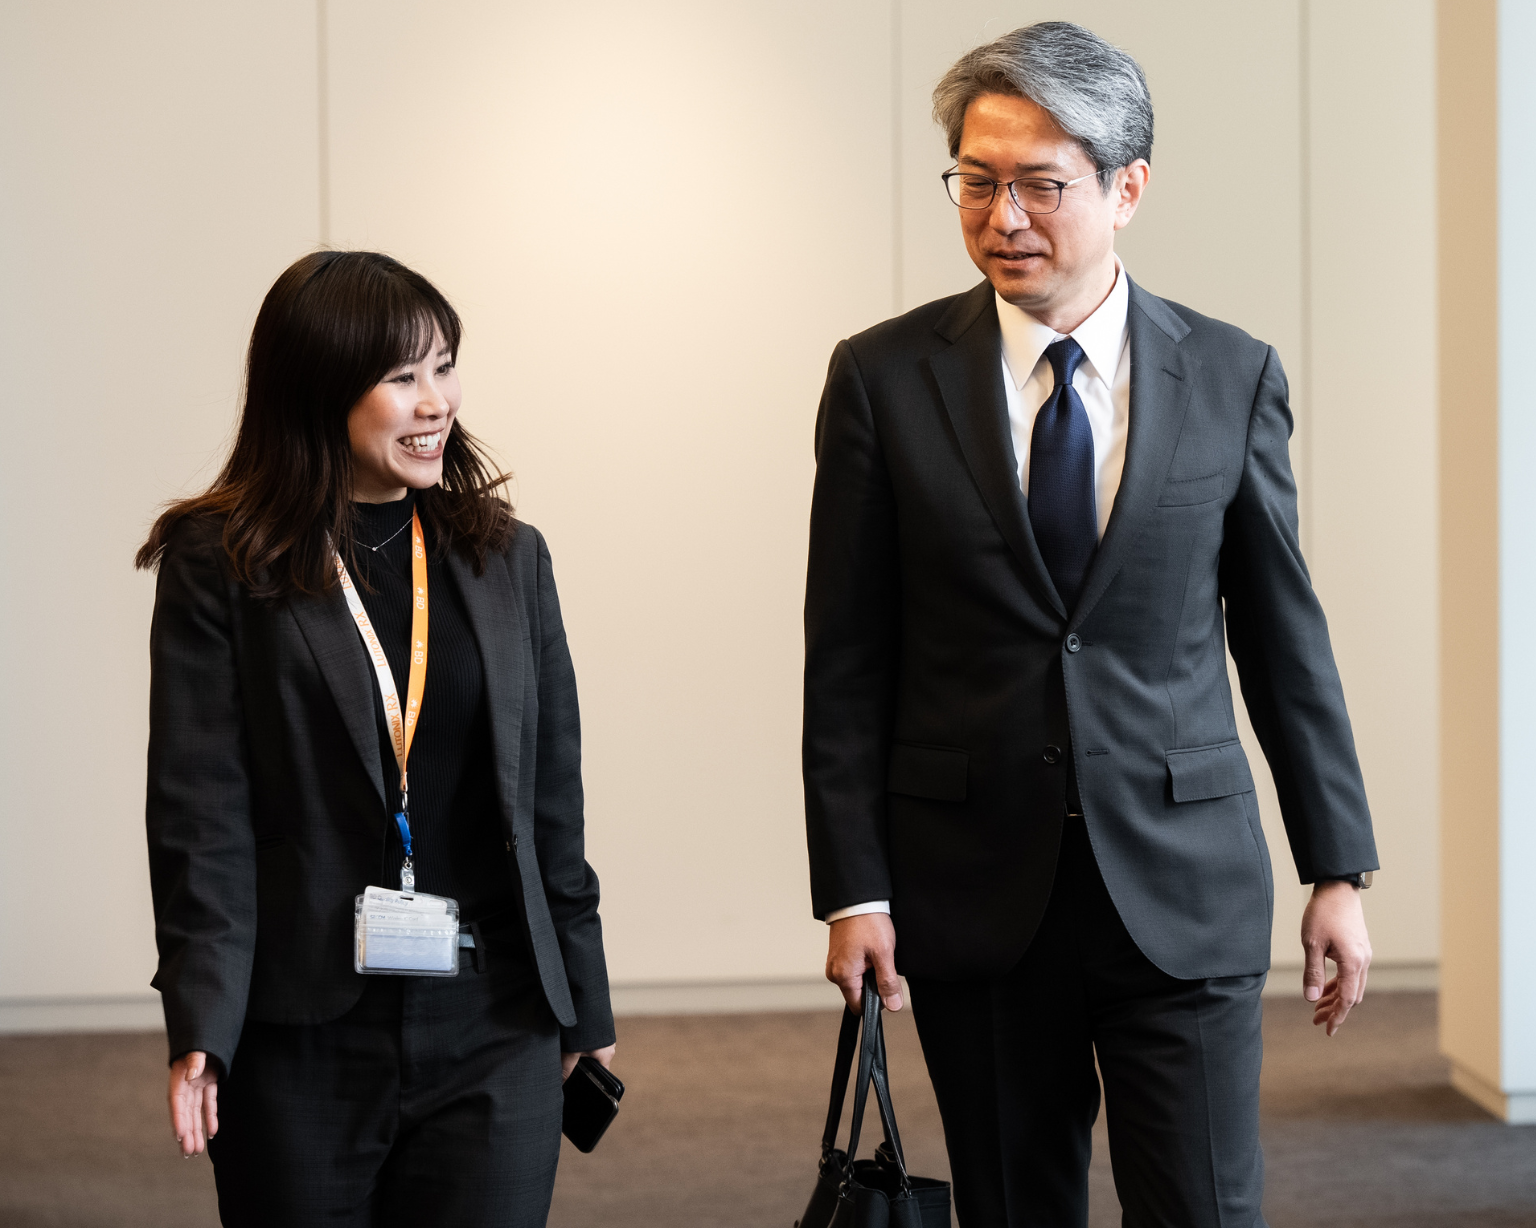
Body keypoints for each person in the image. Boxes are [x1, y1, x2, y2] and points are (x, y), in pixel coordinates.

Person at [803, 22, 1377, 1227]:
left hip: (1185, 889)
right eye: (976, 181)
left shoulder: (1231, 374)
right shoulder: (881, 379)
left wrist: (1338, 866)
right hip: (975, 891)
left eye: (1039, 185)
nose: (1002, 216)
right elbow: (848, 659)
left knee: (1205, 1208)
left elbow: (1282, 636)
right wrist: (854, 888)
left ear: (1127, 189)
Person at [138, 250, 614, 1227]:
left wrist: (586, 1005)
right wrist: (202, 1026)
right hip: (300, 1030)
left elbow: (551, 804)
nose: (435, 401)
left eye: (444, 365)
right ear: (318, 391)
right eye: (401, 376)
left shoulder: (506, 556)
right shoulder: (221, 565)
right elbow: (202, 817)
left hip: (494, 1020)